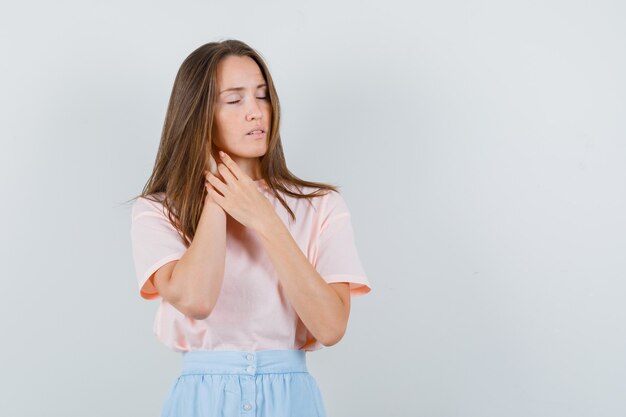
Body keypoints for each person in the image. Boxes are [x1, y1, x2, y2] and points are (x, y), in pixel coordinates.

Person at [128, 39, 372, 417]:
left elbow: (330, 327)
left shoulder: (321, 205)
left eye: (262, 96)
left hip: (292, 399)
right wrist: (218, 196)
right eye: (235, 100)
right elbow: (196, 300)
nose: (256, 112)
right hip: (201, 399)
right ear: (198, 115)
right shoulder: (158, 210)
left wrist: (264, 219)